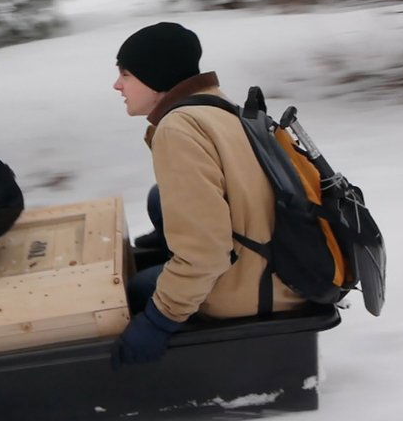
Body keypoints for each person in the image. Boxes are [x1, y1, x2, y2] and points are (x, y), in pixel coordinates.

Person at [110, 22, 306, 367]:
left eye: (125, 74)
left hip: (258, 287)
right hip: (277, 258)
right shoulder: (215, 104)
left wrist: (160, 319)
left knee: (135, 291)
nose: (117, 85)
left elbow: (207, 253)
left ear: (154, 75)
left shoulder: (178, 129)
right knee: (161, 198)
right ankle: (176, 264)